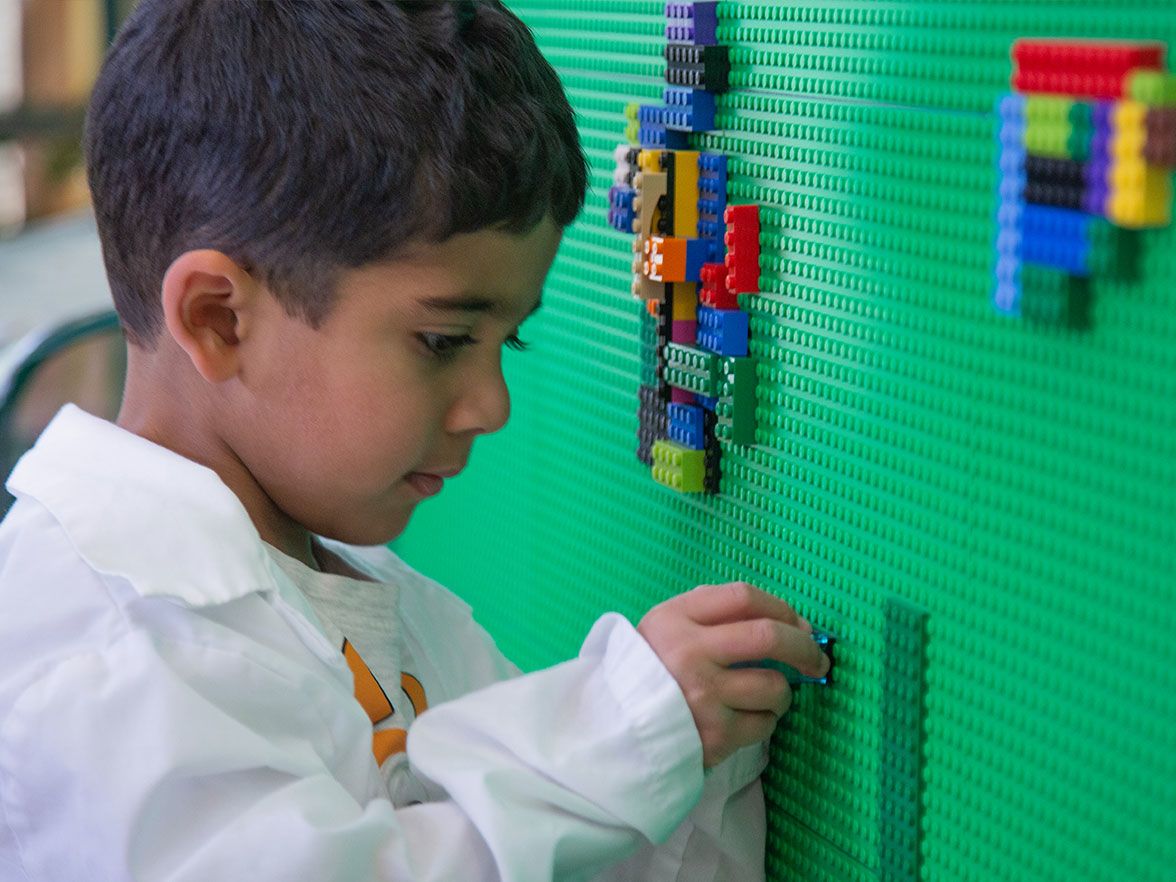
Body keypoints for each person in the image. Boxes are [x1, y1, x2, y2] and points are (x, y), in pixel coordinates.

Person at [0, 2, 829, 880]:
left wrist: (698, 746)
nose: (491, 405)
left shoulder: (391, 610)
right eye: (442, 342)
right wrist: (626, 731)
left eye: (505, 342)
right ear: (218, 318)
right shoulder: (92, 653)